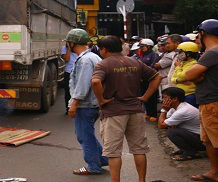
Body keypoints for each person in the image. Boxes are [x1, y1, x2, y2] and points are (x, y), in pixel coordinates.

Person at [92, 35, 162, 182]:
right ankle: (141, 180)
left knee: (114, 152)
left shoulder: (103, 64)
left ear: (104, 50)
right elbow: (157, 77)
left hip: (113, 112)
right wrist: (145, 97)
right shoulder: (134, 62)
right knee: (139, 149)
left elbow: (96, 81)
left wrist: (101, 100)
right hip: (136, 110)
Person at [185, 19, 218, 182]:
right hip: (210, 102)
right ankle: (215, 172)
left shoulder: (214, 52)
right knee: (209, 141)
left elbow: (189, 75)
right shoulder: (217, 51)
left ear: (203, 33)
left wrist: (196, 77)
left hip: (215, 103)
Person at [65, 28, 108, 175]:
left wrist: (74, 104)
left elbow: (83, 85)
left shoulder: (85, 60)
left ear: (72, 43)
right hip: (92, 103)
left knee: (84, 135)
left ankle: (93, 166)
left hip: (86, 104)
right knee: (86, 133)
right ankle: (100, 159)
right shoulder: (92, 57)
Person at [157, 87, 205, 161]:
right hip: (195, 136)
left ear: (175, 99)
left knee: (172, 132)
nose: (163, 100)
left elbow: (161, 125)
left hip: (203, 141)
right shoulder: (175, 107)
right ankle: (185, 148)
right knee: (171, 127)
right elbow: (165, 121)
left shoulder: (183, 110)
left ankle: (191, 152)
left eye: (165, 98)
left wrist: (163, 110)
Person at [170, 42, 200, 107]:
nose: (178, 54)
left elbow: (182, 76)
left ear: (188, 54)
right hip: (182, 95)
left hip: (190, 95)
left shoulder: (193, 64)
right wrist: (178, 80)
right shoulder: (182, 63)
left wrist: (178, 67)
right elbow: (172, 78)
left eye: (180, 52)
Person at [138, 38, 160, 121]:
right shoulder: (142, 56)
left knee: (152, 98)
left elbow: (153, 67)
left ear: (149, 46)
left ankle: (153, 114)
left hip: (151, 79)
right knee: (144, 96)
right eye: (141, 46)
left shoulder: (154, 55)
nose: (141, 48)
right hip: (142, 80)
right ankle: (148, 113)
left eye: (143, 46)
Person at [61, 38, 78, 114]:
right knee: (68, 91)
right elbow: (67, 59)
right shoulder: (64, 49)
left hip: (78, 71)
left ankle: (77, 107)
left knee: (78, 91)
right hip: (69, 72)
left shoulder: (78, 48)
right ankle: (68, 108)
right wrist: (69, 48)